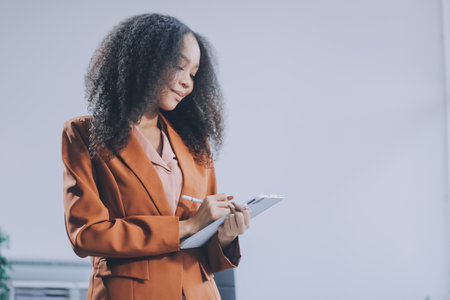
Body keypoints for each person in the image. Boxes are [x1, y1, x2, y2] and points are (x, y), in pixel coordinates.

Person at [61, 13, 250, 300]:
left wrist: (224, 236)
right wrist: (187, 226)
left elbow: (204, 252)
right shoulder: (83, 134)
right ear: (145, 60)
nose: (188, 83)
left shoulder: (195, 142)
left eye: (194, 74)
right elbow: (87, 234)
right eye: (180, 67)